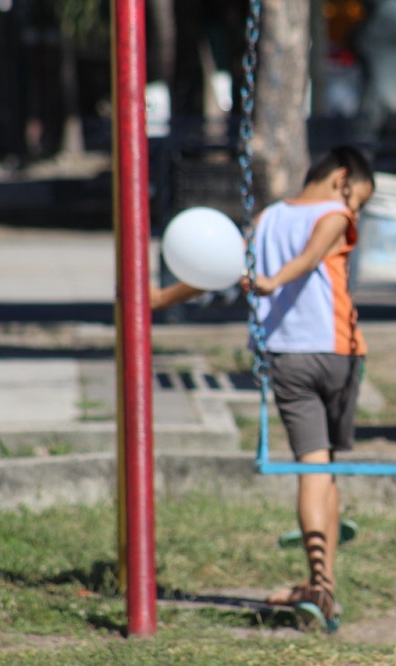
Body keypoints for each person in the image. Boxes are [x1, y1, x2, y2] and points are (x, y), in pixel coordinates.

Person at [151, 145, 375, 633]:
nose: (354, 211)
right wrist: (273, 281)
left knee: (317, 468)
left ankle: (322, 584)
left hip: (289, 357)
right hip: (336, 352)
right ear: (342, 179)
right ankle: (322, 586)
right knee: (321, 470)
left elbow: (220, 266)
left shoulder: (268, 219)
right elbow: (314, 251)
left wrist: (160, 299)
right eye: (359, 199)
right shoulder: (335, 213)